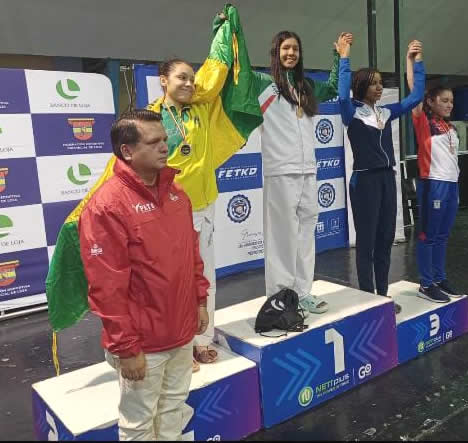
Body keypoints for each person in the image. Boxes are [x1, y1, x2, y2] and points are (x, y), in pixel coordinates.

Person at [78, 110, 209, 441]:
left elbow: (192, 257)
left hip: (181, 332)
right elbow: (106, 286)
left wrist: (200, 302)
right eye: (153, 142)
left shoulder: (178, 194)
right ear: (127, 151)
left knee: (173, 410)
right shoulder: (107, 206)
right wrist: (126, 348)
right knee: (138, 424)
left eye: (165, 139)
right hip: (143, 344)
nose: (165, 147)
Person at [147, 6, 262, 370]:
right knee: (171, 281)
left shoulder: (202, 107)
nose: (189, 83)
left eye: (191, 77)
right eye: (181, 77)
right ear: (163, 80)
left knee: (204, 279)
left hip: (203, 207)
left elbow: (218, 71)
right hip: (165, 213)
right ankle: (178, 345)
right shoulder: (149, 118)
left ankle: (201, 340)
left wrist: (223, 32)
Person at [246, 28, 352, 316]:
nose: (291, 53)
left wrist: (339, 56)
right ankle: (280, 298)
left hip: (308, 171)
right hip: (280, 170)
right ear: (276, 52)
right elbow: (238, 71)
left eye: (295, 48)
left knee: (306, 233)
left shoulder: (306, 86)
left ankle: (302, 293)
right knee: (281, 237)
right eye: (285, 48)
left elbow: (333, 86)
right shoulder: (262, 83)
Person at [338, 37, 426, 313]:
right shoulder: (351, 112)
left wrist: (415, 62)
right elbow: (342, 96)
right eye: (374, 83)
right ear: (361, 86)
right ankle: (369, 300)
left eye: (380, 82)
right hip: (365, 182)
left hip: (387, 180)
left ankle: (383, 295)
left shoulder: (386, 113)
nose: (379, 87)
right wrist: (344, 58)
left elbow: (416, 97)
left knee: (385, 239)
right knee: (366, 243)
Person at [407, 51, 465, 302]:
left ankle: (440, 278)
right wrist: (413, 62)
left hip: (451, 185)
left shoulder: (449, 126)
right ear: (430, 102)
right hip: (433, 184)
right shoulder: (423, 121)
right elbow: (415, 91)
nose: (449, 105)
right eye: (444, 100)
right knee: (428, 236)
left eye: (451, 101)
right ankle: (426, 283)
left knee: (442, 235)